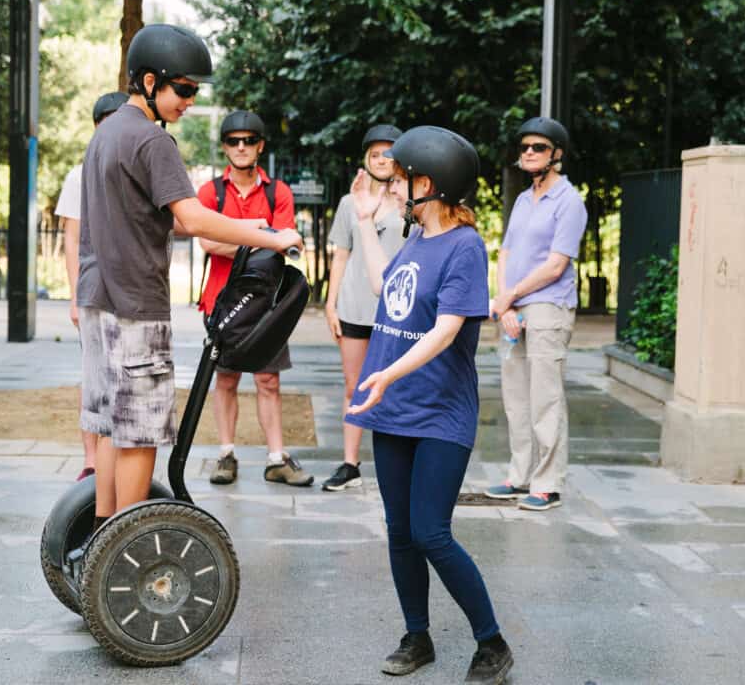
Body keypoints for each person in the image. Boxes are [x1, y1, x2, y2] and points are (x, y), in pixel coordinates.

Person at [78, 24, 303, 530]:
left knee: (114, 428)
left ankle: (102, 534)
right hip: (135, 303)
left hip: (98, 301)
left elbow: (170, 217)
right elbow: (195, 218)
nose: (190, 100)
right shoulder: (152, 140)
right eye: (183, 88)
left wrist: (248, 226)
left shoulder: (107, 133)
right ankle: (127, 547)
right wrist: (272, 237)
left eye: (194, 91)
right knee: (139, 433)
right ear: (151, 80)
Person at [345, 126, 514, 683]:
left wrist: (386, 372)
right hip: (395, 409)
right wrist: (367, 224)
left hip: (441, 411)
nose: (396, 186)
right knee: (399, 531)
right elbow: (381, 287)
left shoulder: (465, 247)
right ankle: (417, 636)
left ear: (432, 184)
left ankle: (492, 642)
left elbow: (446, 331)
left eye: (405, 179)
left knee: (431, 532)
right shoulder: (416, 239)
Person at [199, 110, 312, 487]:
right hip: (221, 301)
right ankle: (226, 454)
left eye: (249, 140)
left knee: (269, 381)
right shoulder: (209, 192)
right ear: (224, 147)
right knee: (226, 379)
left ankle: (276, 459)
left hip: (268, 303)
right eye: (234, 141)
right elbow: (206, 240)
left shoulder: (277, 192)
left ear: (260, 146)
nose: (241, 147)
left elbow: (282, 246)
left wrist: (235, 240)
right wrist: (264, 237)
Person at [485, 117, 588, 512]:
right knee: (515, 396)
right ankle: (520, 475)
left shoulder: (569, 201)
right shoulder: (525, 200)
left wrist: (511, 294)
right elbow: (506, 253)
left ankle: (547, 483)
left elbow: (556, 265)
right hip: (515, 306)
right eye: (525, 147)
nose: (528, 152)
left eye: (539, 147)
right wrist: (505, 303)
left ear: (556, 154)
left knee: (545, 396)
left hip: (549, 305)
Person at [320, 123, 404, 492]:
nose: (382, 159)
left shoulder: (408, 201)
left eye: (389, 153)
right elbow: (341, 254)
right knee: (354, 384)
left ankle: (400, 461)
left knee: (398, 383)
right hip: (355, 305)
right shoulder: (348, 203)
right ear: (366, 159)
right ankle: (350, 463)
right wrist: (331, 302)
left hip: (397, 308)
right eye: (375, 153)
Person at [55, 90, 128, 482]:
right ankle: (91, 459)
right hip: (94, 290)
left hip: (129, 292)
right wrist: (73, 294)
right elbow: (72, 237)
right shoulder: (79, 173)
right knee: (94, 377)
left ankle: (119, 452)